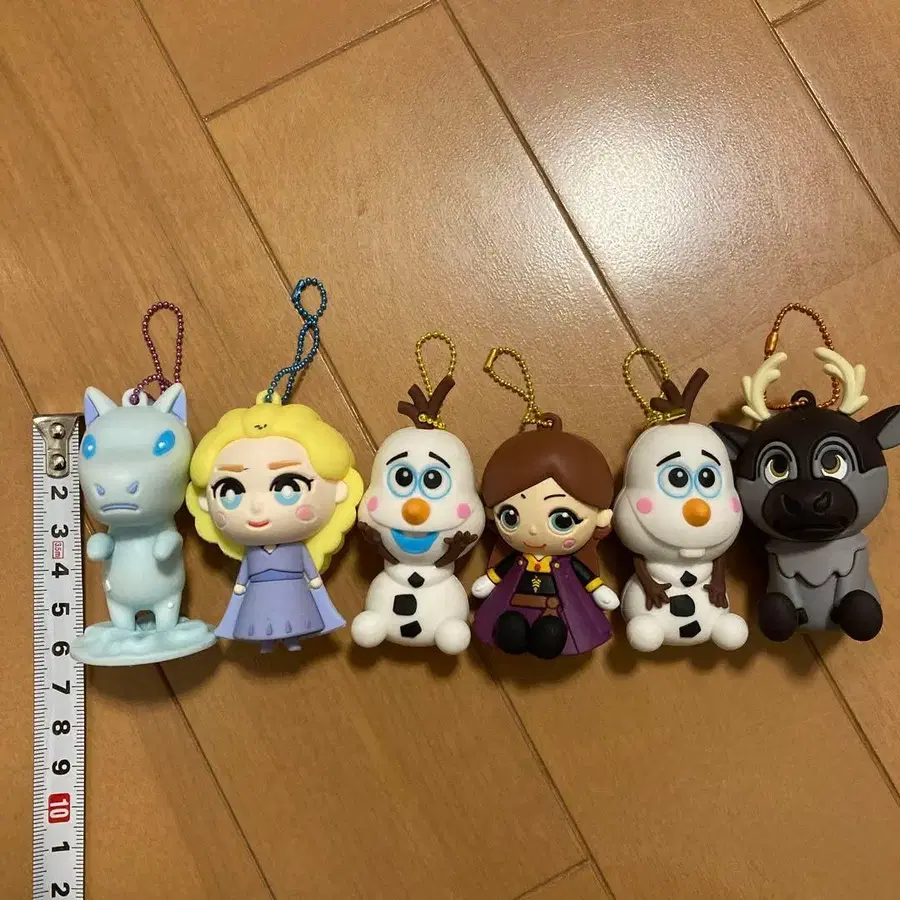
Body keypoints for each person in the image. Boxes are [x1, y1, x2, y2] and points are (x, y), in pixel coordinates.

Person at [471, 416, 619, 659]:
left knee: (551, 633)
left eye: (562, 520)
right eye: (511, 516)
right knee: (510, 628)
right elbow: (500, 571)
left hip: (557, 610)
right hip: (514, 604)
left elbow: (586, 576)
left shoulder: (568, 563)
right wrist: (489, 581)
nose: (531, 531)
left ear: (600, 518)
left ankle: (548, 639)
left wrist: (598, 589)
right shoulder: (516, 559)